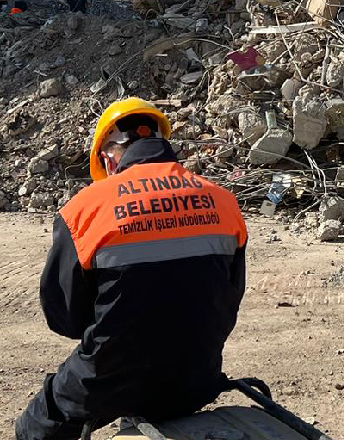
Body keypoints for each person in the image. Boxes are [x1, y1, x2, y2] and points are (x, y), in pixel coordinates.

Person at [15, 98, 248, 440]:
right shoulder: (223, 201)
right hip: (197, 379)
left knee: (34, 428)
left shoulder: (83, 211)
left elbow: (64, 317)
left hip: (113, 379)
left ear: (109, 154)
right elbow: (229, 297)